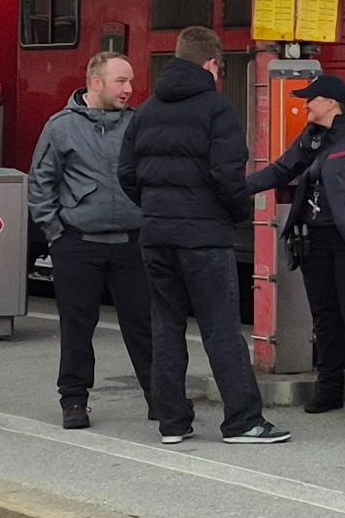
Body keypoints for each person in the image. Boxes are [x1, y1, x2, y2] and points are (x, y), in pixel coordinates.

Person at [117, 25, 286, 447]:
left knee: (166, 326)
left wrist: (154, 206)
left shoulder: (146, 110)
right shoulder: (218, 110)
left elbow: (126, 173)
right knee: (221, 329)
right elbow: (227, 176)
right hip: (204, 237)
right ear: (212, 64)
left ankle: (173, 422)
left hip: (156, 235)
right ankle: (243, 421)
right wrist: (236, 213)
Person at [31, 49, 155, 428]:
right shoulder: (60, 127)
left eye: (131, 81)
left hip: (132, 243)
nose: (129, 89)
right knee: (77, 325)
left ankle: (162, 398)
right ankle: (73, 401)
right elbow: (41, 182)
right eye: (121, 81)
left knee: (145, 325)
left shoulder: (139, 124)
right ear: (96, 83)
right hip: (78, 243)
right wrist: (55, 234)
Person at [250, 70, 345, 416]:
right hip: (314, 238)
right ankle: (330, 388)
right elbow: (281, 170)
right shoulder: (312, 137)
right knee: (324, 316)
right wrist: (239, 187)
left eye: (312, 99)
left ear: (330, 104)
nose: (306, 104)